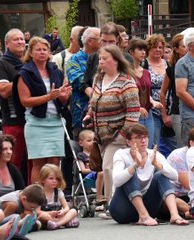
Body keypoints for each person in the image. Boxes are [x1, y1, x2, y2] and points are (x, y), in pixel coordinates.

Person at [83, 45, 140, 215]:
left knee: (109, 167)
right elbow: (93, 103)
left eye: (104, 58)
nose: (100, 61)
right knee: (108, 169)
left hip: (117, 135)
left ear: (115, 60)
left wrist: (124, 134)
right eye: (100, 58)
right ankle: (114, 204)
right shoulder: (98, 79)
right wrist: (89, 115)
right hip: (101, 135)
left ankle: (114, 205)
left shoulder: (126, 82)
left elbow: (133, 111)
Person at [16, 37, 72, 184]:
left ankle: (52, 197)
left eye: (45, 49)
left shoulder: (55, 70)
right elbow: (25, 101)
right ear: (31, 53)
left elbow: (60, 98)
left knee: (54, 163)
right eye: (38, 49)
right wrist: (49, 96)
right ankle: (37, 198)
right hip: (36, 123)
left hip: (56, 122)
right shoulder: (25, 73)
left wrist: (64, 96)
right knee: (39, 164)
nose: (42, 52)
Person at [108, 124, 189, 226]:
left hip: (148, 207)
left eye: (145, 137)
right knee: (130, 173)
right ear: (128, 142)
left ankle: (174, 215)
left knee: (161, 175)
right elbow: (116, 180)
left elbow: (175, 176)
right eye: (138, 137)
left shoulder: (154, 154)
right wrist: (135, 165)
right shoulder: (121, 154)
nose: (143, 140)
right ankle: (143, 216)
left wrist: (158, 165)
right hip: (122, 209)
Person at [0, 29, 28, 182]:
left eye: (22, 39)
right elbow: (3, 91)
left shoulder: (29, 61)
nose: (21, 42)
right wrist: (24, 79)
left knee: (33, 162)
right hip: (14, 121)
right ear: (7, 44)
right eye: (16, 39)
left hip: (35, 120)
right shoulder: (1, 64)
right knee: (14, 162)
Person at [67, 27, 101, 140]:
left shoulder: (104, 58)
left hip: (103, 114)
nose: (103, 41)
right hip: (82, 112)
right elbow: (81, 83)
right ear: (90, 41)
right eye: (100, 38)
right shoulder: (74, 60)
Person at [128, 38, 158, 148]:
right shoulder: (126, 72)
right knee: (136, 147)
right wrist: (137, 107)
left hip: (148, 113)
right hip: (134, 114)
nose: (143, 52)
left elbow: (147, 93)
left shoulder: (146, 72)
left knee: (148, 147)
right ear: (131, 51)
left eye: (144, 49)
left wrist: (154, 102)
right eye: (139, 49)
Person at [160, 33, 187, 148]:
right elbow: (162, 93)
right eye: (184, 46)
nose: (187, 48)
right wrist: (165, 115)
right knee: (182, 147)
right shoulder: (171, 69)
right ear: (176, 49)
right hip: (178, 112)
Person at [166, 127, 194, 214]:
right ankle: (190, 211)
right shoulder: (178, 156)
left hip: (193, 193)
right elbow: (188, 185)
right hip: (176, 194)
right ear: (192, 143)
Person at [81, 22, 120, 99]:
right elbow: (85, 84)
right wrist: (95, 96)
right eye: (104, 41)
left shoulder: (126, 58)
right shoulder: (93, 58)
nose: (107, 45)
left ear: (117, 39)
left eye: (111, 41)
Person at [37, 164, 79, 230]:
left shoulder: (58, 192)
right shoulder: (39, 192)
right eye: (51, 178)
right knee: (43, 216)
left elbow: (66, 207)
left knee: (73, 211)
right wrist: (49, 213)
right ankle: (65, 222)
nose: (54, 181)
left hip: (57, 217)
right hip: (47, 217)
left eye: (57, 179)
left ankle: (57, 224)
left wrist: (63, 211)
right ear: (43, 179)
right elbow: (37, 211)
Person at [144, 34, 167, 147]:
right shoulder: (144, 64)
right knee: (154, 142)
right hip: (152, 108)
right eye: (154, 47)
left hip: (168, 106)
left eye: (160, 47)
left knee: (174, 142)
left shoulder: (167, 63)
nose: (158, 50)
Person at [77, 129, 105, 205]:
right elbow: (82, 170)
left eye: (93, 140)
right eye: (89, 140)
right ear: (81, 143)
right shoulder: (81, 155)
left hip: (98, 176)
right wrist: (94, 170)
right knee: (101, 173)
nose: (92, 142)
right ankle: (99, 196)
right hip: (88, 177)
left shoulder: (97, 155)